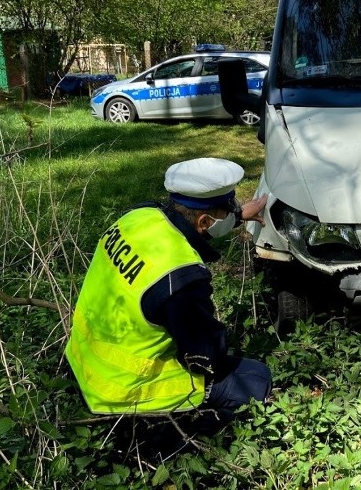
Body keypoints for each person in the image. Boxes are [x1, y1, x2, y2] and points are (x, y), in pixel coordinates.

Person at [64, 157, 271, 452]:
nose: (233, 212)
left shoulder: (138, 217)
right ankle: (162, 440)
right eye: (228, 209)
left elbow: (192, 226)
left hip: (83, 358)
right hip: (120, 390)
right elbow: (206, 357)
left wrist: (238, 216)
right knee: (256, 378)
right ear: (203, 222)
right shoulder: (179, 277)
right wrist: (217, 335)